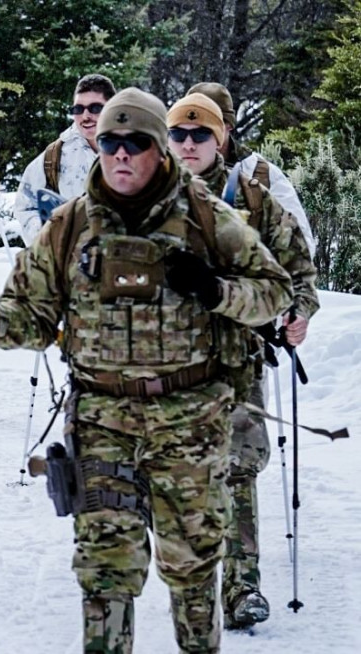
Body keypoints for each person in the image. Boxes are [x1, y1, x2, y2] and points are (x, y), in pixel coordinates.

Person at [0, 88, 293, 653]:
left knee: (191, 566)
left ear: (159, 149)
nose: (121, 154)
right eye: (110, 142)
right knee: (105, 572)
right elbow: (32, 318)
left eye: (136, 142)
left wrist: (214, 289)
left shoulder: (208, 217)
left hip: (190, 421)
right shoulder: (69, 226)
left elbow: (273, 292)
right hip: (102, 421)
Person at [166, 93, 319, 629]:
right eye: (179, 135)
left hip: (238, 356)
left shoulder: (253, 199)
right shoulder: (137, 195)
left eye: (200, 135)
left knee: (236, 469)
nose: (189, 144)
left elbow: (298, 265)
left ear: (221, 138)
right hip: (164, 365)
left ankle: (243, 587)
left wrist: (297, 312)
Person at [186, 82, 316, 257]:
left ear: (228, 126)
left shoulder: (261, 174)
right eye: (186, 128)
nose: (193, 138)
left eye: (209, 125)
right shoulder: (163, 172)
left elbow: (301, 246)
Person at [14, 74, 117, 245]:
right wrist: (49, 239)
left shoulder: (137, 149)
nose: (85, 116)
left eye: (95, 108)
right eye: (78, 109)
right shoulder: (56, 155)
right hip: (72, 266)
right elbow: (25, 205)